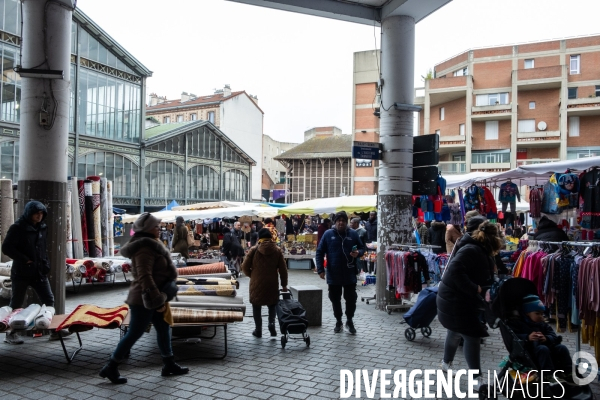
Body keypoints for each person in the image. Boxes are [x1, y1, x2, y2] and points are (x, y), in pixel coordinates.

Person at [100, 212, 188, 384]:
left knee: (163, 328)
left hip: (153, 296)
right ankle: (111, 367)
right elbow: (144, 276)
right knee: (135, 333)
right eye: (156, 226)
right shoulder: (144, 247)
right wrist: (156, 299)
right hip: (145, 299)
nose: (159, 229)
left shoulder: (152, 244)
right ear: (148, 229)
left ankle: (168, 363)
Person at [436, 220, 503, 386]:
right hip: (455, 299)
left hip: (454, 298)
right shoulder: (472, 249)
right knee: (472, 336)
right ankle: (477, 379)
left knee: (455, 330)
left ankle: (445, 364)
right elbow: (455, 270)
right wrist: (475, 288)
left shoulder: (476, 248)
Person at [1, 201, 71, 344]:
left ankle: (54, 331)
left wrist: (45, 263)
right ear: (29, 213)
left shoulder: (42, 227)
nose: (39, 216)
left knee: (49, 300)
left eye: (41, 213)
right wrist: (24, 259)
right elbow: (7, 248)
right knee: (16, 303)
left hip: (39, 271)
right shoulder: (17, 228)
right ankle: (11, 334)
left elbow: (42, 248)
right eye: (36, 213)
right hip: (21, 272)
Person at [316, 211, 365, 334]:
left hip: (349, 273)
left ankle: (349, 320)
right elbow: (320, 252)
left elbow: (362, 248)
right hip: (334, 273)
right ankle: (338, 321)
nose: (341, 222)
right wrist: (320, 269)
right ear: (335, 222)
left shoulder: (353, 234)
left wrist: (358, 253)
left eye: (343, 220)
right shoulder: (328, 234)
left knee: (351, 298)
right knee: (334, 298)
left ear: (346, 222)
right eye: (339, 220)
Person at [507, 295, 572, 375]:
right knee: (543, 349)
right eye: (537, 313)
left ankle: (569, 371)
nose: (541, 316)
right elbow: (514, 337)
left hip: (547, 350)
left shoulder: (542, 324)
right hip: (529, 353)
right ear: (527, 313)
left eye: (542, 314)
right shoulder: (518, 324)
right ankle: (548, 374)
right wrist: (527, 337)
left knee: (562, 348)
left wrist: (546, 338)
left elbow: (553, 335)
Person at [242, 228, 289, 338]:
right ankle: (271, 324)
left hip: (256, 282)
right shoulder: (277, 250)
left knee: (256, 307)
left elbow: (244, 267)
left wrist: (252, 275)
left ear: (259, 238)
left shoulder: (254, 250)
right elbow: (283, 269)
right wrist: (284, 285)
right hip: (272, 283)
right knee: (272, 305)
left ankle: (258, 331)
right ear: (271, 238)